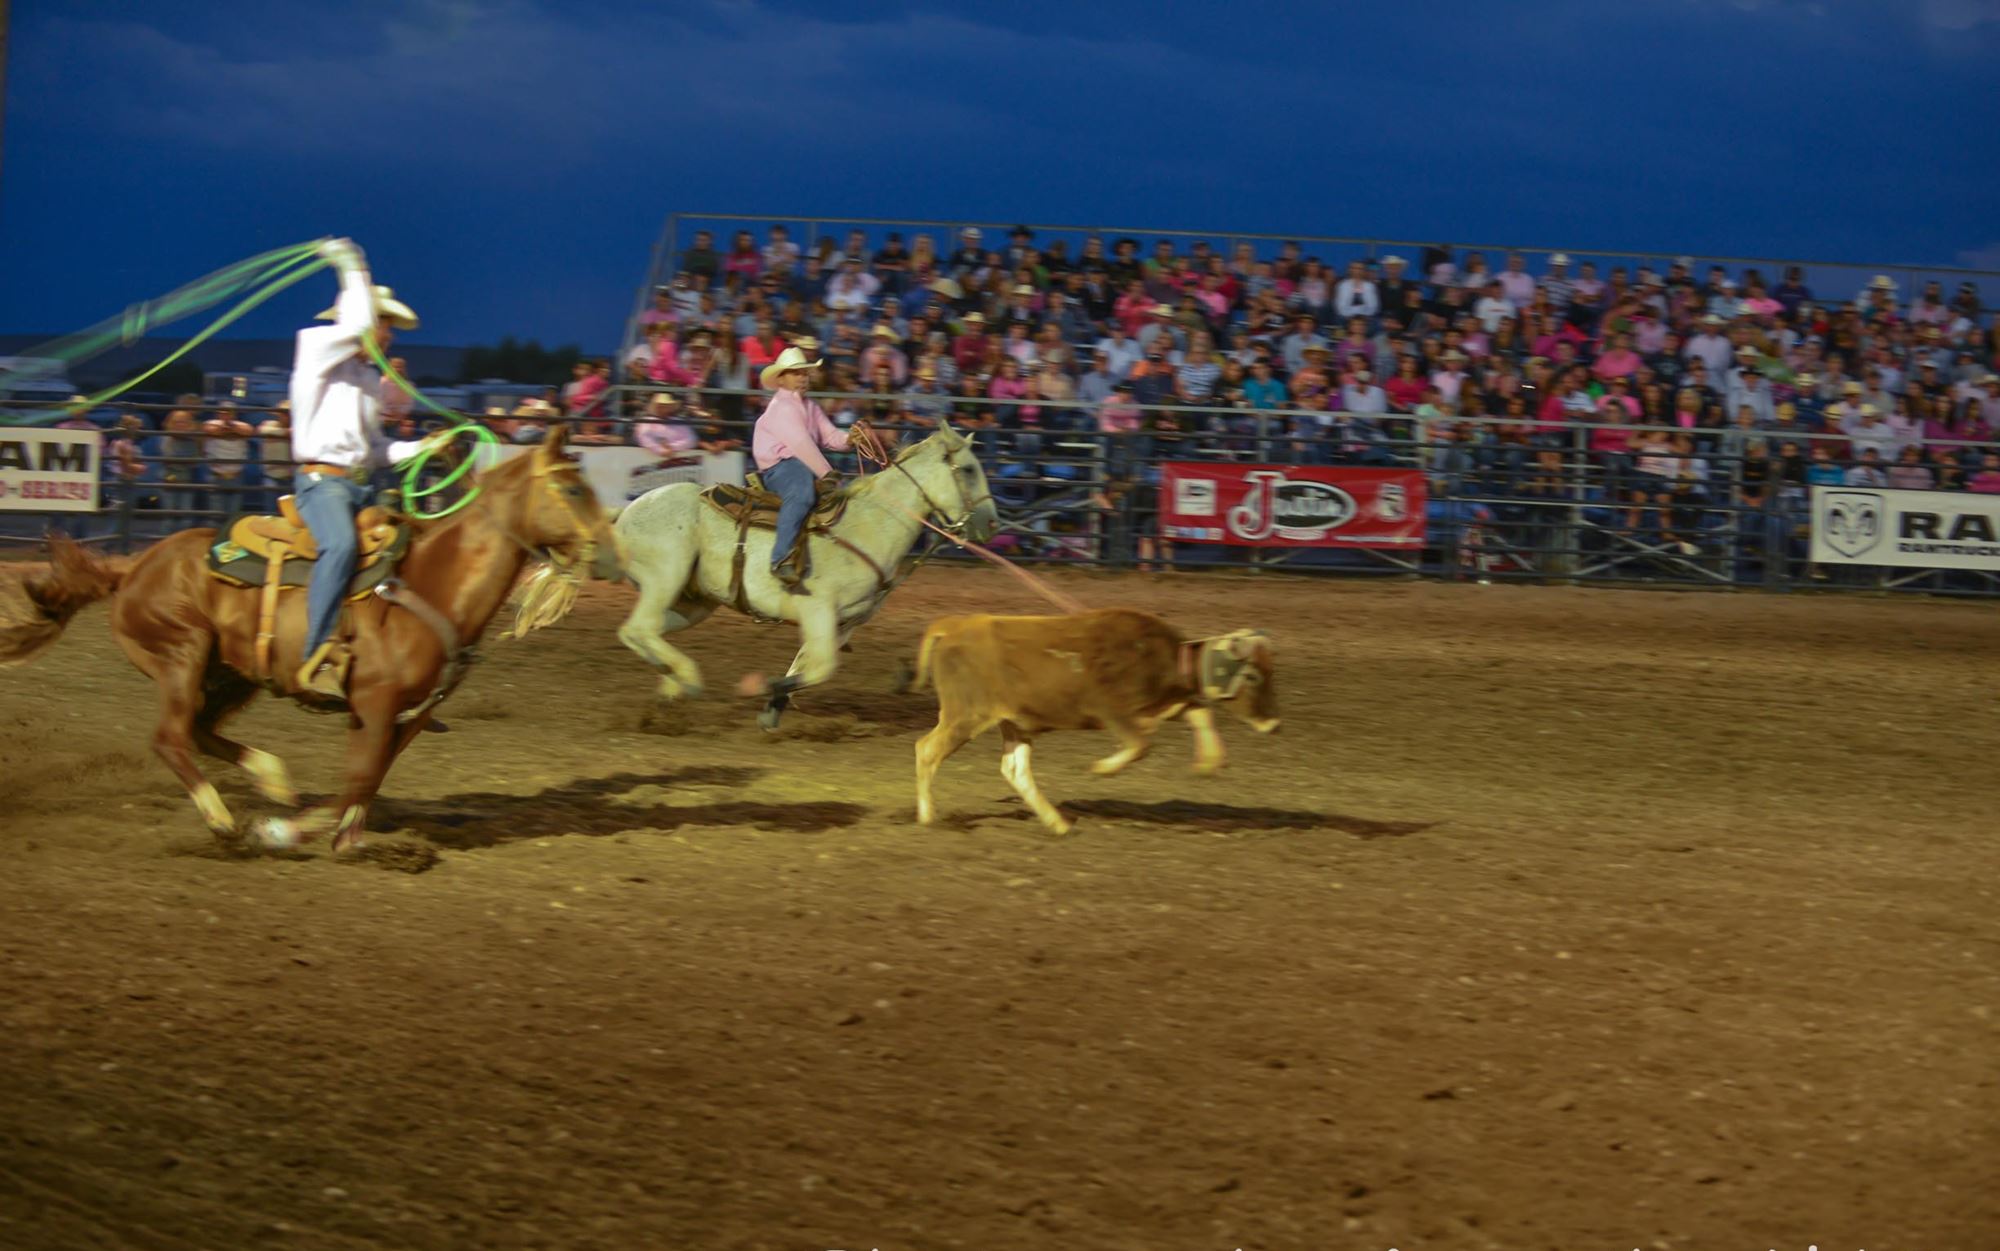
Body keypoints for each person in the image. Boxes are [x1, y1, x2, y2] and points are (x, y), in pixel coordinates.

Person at [288, 238, 450, 698]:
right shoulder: (316, 347)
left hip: (359, 485)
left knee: (412, 550)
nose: (390, 335)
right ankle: (314, 654)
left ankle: (401, 664)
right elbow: (355, 323)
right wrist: (352, 264)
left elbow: (376, 450)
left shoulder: (366, 381)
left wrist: (423, 447)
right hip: (321, 484)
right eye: (386, 325)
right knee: (339, 547)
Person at [752, 345, 866, 593]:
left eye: (804, 373)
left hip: (801, 463)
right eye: (796, 373)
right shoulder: (781, 407)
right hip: (779, 467)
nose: (803, 377)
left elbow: (829, 436)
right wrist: (828, 474)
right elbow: (802, 445)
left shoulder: (810, 406)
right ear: (781, 378)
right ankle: (780, 558)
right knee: (802, 493)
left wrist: (849, 439)